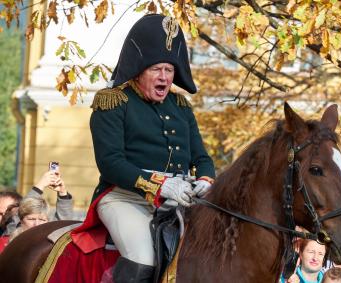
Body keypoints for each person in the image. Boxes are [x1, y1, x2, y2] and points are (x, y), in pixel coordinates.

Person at [88, 14, 215, 282]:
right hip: (123, 198)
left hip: (178, 202)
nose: (164, 77)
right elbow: (110, 163)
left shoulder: (180, 107)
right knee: (143, 258)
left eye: (169, 70)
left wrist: (205, 180)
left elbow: (201, 157)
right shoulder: (113, 101)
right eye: (156, 69)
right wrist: (159, 185)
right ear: (139, 70)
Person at [0, 170, 73, 252]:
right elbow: (24, 208)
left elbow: (62, 224)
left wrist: (62, 192)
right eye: (31, 219)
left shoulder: (49, 240)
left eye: (42, 220)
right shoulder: (10, 237)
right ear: (20, 220)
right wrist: (41, 184)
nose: (37, 224)